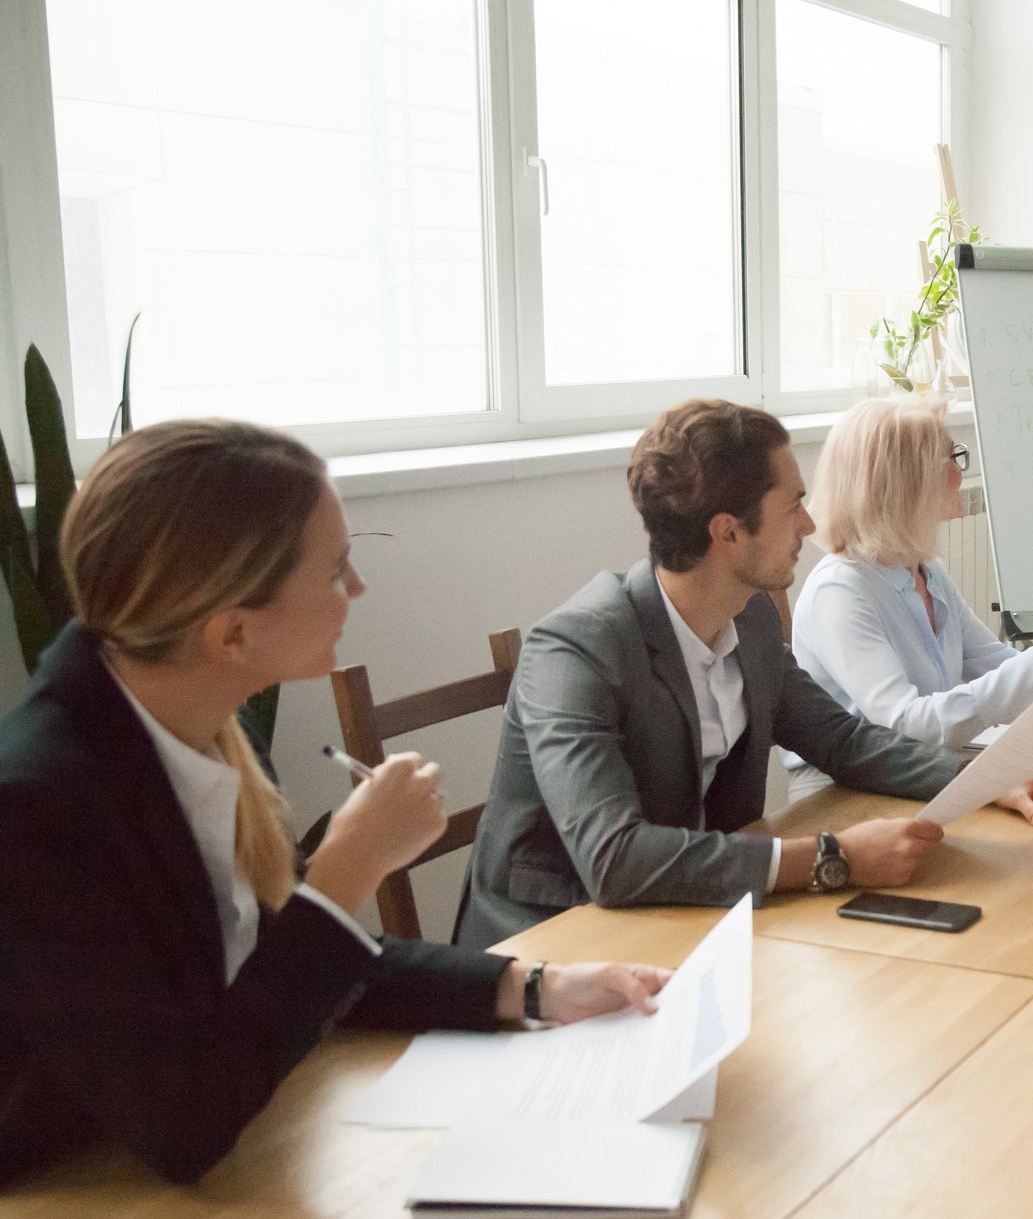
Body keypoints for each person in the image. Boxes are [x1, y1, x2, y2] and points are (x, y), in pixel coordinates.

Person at [0, 421, 667, 1187]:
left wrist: (538, 986)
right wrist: (346, 873)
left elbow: (281, 958)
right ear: (232, 634)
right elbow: (183, 1117)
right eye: (336, 569)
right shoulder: (36, 810)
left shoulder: (187, 720)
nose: (357, 590)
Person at [457, 399, 1033, 951]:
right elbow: (615, 857)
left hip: (687, 915)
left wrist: (982, 778)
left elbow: (842, 740)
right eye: (793, 503)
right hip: (553, 944)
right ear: (728, 531)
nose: (811, 523)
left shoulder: (754, 620)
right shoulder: (577, 648)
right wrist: (832, 856)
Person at [785, 395, 1033, 802]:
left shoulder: (923, 570)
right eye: (950, 458)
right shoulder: (841, 591)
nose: (960, 471)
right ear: (906, 483)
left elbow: (1004, 667)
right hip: (841, 794)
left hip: (924, 771)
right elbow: (904, 725)